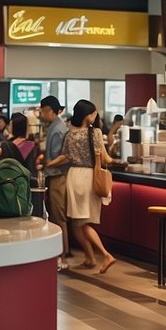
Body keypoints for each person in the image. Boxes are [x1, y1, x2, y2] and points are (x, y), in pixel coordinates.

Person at [46, 99, 115, 275]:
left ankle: (97, 256)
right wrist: (117, 158)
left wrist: (48, 164)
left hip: (74, 176)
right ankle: (99, 256)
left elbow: (65, 157)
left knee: (78, 222)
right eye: (93, 113)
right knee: (83, 222)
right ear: (86, 115)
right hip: (90, 177)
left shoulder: (70, 134)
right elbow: (106, 159)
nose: (95, 116)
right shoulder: (96, 133)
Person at [39, 96, 71, 267]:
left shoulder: (58, 128)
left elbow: (63, 156)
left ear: (50, 110)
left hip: (58, 176)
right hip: (54, 175)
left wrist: (47, 163)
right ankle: (60, 254)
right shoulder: (55, 126)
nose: (42, 114)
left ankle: (63, 256)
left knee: (59, 217)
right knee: (55, 216)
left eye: (43, 111)